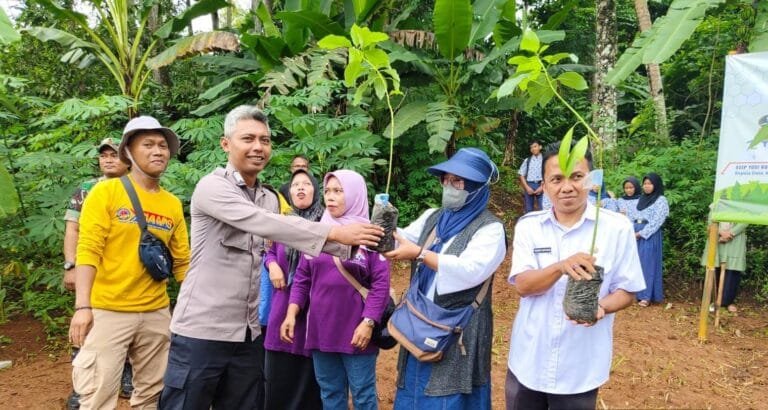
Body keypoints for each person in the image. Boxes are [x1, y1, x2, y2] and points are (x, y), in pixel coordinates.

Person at [161, 106, 383, 409]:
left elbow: (286, 239)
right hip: (203, 330)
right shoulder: (212, 188)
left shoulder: (267, 197)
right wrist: (334, 234)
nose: (258, 147)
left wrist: (362, 244)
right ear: (226, 144)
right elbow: (267, 224)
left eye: (264, 140)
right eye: (248, 138)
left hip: (248, 332)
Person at [505, 142, 645, 409]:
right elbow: (523, 285)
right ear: (544, 185)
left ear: (591, 181)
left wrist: (601, 307)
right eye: (556, 179)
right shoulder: (529, 227)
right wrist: (561, 266)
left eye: (576, 177)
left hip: (580, 366)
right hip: (529, 359)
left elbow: (628, 290)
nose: (566, 187)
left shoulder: (616, 228)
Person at [68, 116, 191, 409]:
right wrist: (83, 307)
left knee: (151, 395)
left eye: (162, 146)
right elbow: (88, 250)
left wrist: (188, 310)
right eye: (147, 144)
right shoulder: (105, 193)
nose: (158, 151)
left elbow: (183, 262)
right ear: (128, 153)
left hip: (156, 312)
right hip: (108, 311)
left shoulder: (171, 203)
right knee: (98, 395)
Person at [384, 147, 506, 409]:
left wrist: (419, 254)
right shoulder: (434, 216)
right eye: (446, 180)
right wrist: (382, 224)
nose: (449, 186)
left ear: (477, 187)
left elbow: (470, 270)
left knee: (453, 392)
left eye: (458, 181)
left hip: (459, 329)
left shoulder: (491, 228)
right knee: (414, 388)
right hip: (419, 322)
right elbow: (403, 237)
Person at [281, 170, 390, 410]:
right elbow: (302, 278)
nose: (331, 197)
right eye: (328, 191)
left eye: (339, 191)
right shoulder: (318, 233)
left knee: (363, 395)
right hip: (321, 329)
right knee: (330, 393)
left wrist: (368, 322)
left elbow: (381, 284)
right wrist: (291, 313)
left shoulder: (369, 235)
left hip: (357, 330)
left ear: (355, 195)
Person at [62, 138, 131, 409]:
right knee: (85, 324)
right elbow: (72, 229)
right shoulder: (86, 190)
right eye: (104, 155)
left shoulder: (137, 187)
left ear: (127, 158)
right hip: (92, 270)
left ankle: (126, 372)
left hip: (125, 272)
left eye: (114, 155)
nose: (108, 159)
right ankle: (82, 387)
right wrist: (71, 266)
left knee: (128, 323)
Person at [262, 169, 324, 410]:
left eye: (306, 184)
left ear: (315, 191)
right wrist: (273, 264)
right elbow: (267, 252)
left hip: (313, 306)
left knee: (310, 372)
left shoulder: (326, 224)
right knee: (279, 370)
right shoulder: (281, 223)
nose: (300, 188)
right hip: (282, 302)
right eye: (295, 184)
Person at [701, 207, 748, 313]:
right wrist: (720, 232)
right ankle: (714, 300)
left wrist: (730, 233)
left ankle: (728, 302)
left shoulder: (742, 203)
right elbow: (711, 220)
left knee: (732, 271)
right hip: (717, 238)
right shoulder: (717, 202)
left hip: (735, 239)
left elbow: (745, 221)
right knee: (714, 268)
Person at [634, 173, 669, 307]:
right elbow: (633, 215)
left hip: (648, 235)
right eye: (645, 184)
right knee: (636, 264)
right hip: (635, 232)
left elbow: (657, 221)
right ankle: (635, 293)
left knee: (648, 264)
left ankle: (646, 296)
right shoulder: (641, 199)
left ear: (656, 185)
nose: (647, 186)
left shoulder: (661, 200)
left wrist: (641, 233)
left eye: (650, 183)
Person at [518, 140, 544, 213]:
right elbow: (521, 174)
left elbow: (550, 174)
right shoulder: (527, 160)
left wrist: (542, 187)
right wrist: (526, 187)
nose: (533, 149)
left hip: (542, 185)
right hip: (529, 185)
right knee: (528, 209)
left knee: (544, 208)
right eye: (531, 147)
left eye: (535, 146)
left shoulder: (545, 160)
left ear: (540, 147)